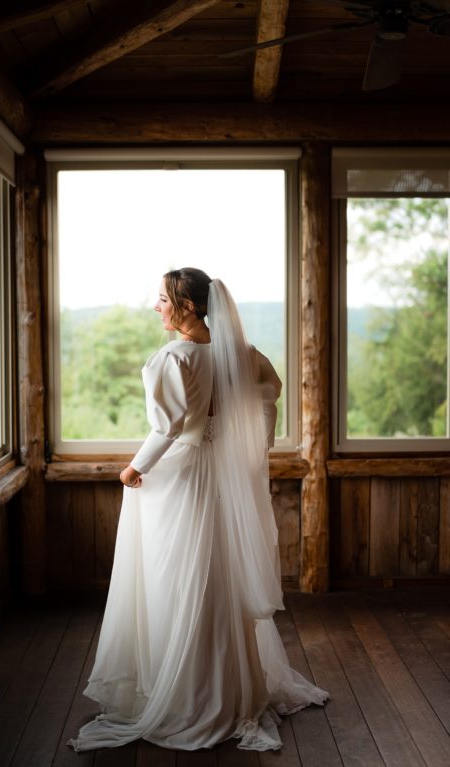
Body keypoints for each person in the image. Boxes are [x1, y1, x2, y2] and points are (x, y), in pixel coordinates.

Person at [70, 268, 327, 752]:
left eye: (163, 299)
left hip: (181, 479)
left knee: (173, 580)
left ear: (187, 306)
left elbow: (166, 429)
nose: (156, 307)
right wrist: (250, 454)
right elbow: (269, 398)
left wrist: (132, 468)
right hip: (221, 480)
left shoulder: (173, 359)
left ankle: (183, 694)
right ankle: (231, 692)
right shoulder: (242, 356)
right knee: (218, 577)